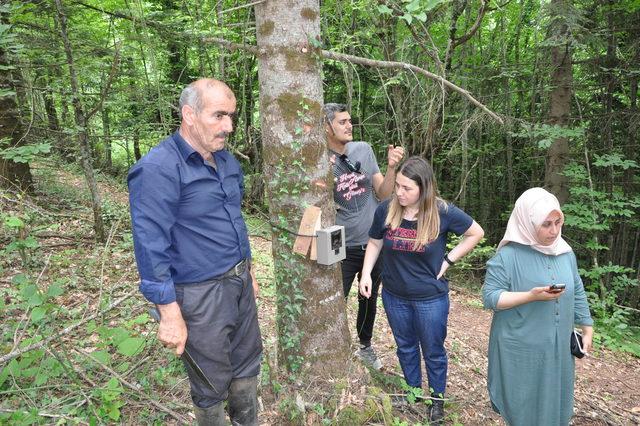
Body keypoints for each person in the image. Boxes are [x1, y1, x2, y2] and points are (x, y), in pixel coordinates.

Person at [128, 79, 262, 425]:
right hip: (199, 294)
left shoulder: (227, 162)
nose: (228, 126)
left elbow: (234, 219)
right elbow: (149, 243)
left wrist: (248, 270)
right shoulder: (158, 168)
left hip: (239, 284)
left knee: (247, 362)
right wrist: (168, 311)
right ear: (189, 114)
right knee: (210, 380)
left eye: (231, 116)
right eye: (219, 116)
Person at [359, 156, 484, 423]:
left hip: (430, 298)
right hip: (394, 295)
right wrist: (367, 273)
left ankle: (436, 400)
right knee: (405, 346)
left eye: (407, 188)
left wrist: (449, 260)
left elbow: (476, 233)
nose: (399, 192)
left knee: (433, 350)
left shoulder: (443, 212)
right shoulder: (386, 210)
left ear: (423, 188)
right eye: (398, 186)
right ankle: (413, 391)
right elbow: (374, 243)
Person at [482, 187, 593, 426]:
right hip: (519, 349)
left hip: (557, 349)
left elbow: (577, 289)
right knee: (523, 407)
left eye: (557, 222)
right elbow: (490, 298)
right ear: (528, 221)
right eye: (546, 224)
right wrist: (530, 296)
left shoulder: (565, 253)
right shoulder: (508, 255)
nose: (554, 231)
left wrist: (587, 327)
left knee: (554, 404)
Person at [323, 103, 405, 370]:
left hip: (373, 240)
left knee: (368, 298)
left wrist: (392, 167)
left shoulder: (364, 149)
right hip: (337, 241)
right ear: (327, 127)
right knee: (336, 297)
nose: (349, 126)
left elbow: (383, 193)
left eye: (350, 121)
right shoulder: (319, 159)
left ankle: (365, 345)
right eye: (342, 122)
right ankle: (332, 346)